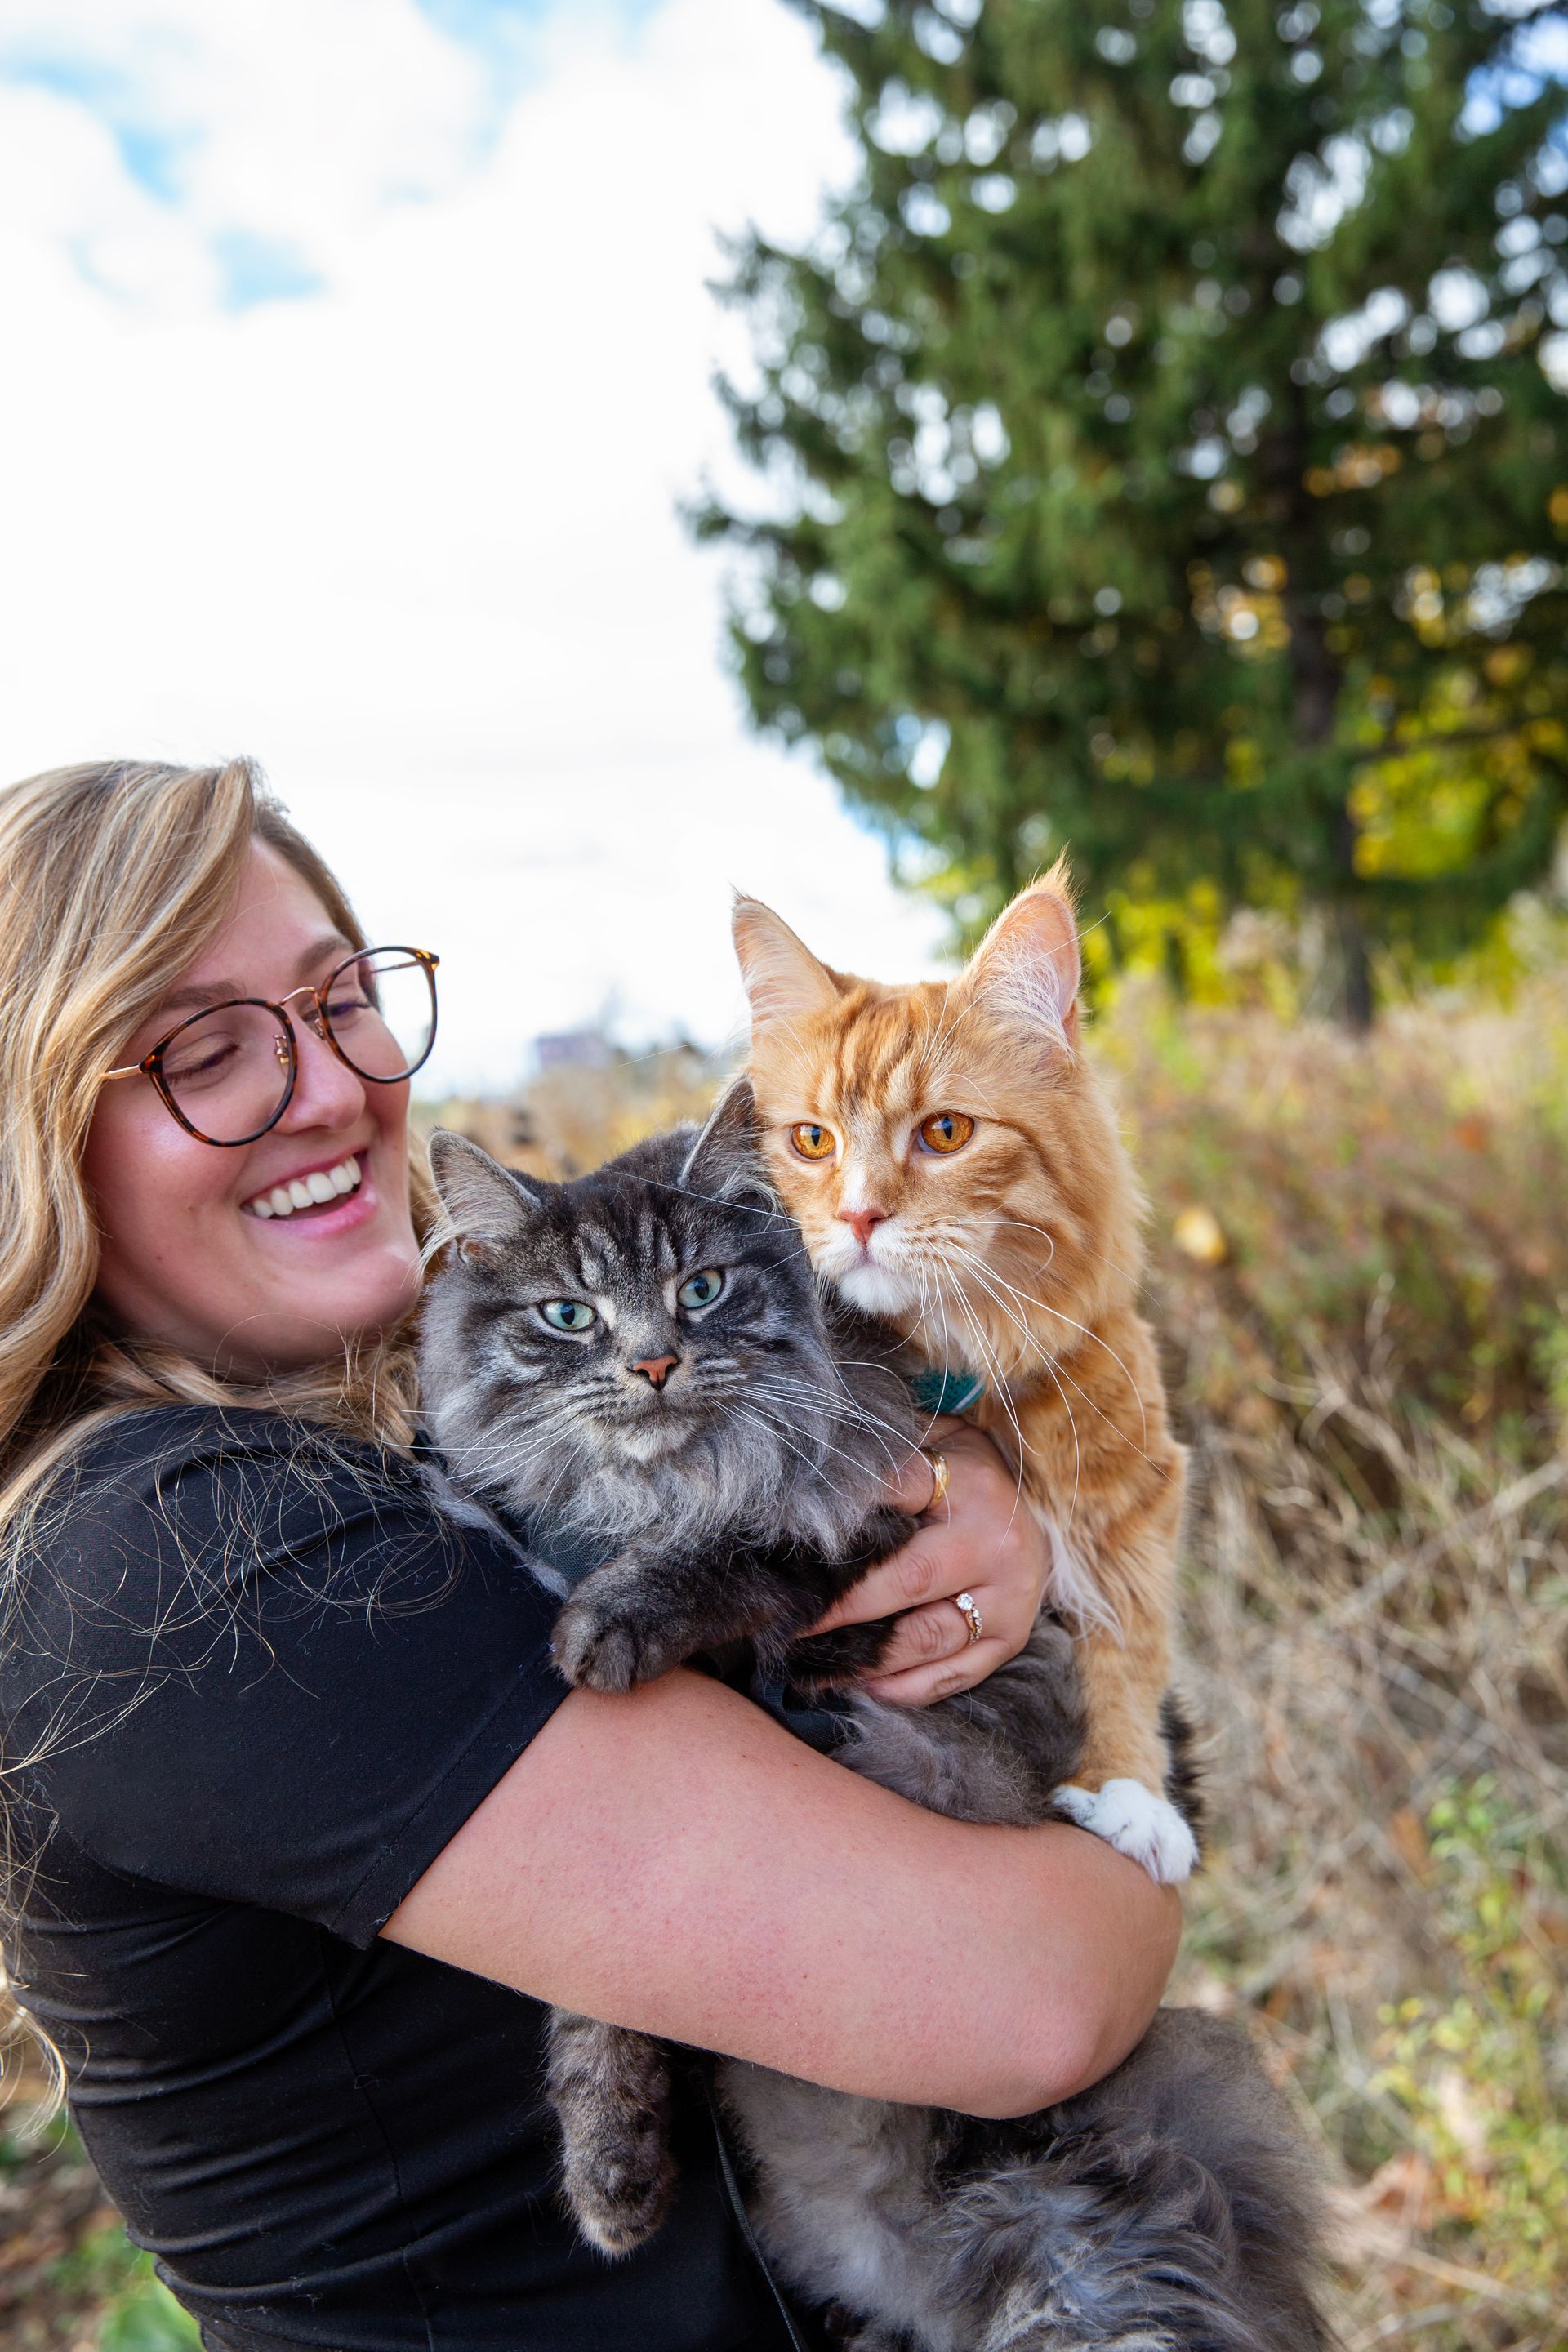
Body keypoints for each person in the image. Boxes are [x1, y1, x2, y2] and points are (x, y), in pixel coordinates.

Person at [0, 759, 1179, 2352]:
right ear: (38, 1134)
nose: (332, 1090)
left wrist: (979, 1486)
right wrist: (1116, 1810)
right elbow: (1037, 1996)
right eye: (208, 1053)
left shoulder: (418, 1407)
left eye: (341, 1000)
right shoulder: (180, 1561)